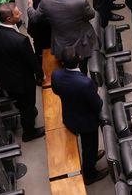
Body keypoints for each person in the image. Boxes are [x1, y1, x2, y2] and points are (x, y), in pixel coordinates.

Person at [0, 3, 44, 139]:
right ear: (9, 19)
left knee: (22, 103)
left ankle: (22, 106)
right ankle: (29, 133)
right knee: (27, 107)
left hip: (2, 77)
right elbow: (32, 62)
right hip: (22, 82)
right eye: (18, 13)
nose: (20, 15)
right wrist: (40, 75)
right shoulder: (21, 40)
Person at [51, 47, 108, 183]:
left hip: (69, 117)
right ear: (80, 59)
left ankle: (93, 157)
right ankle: (90, 174)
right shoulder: (86, 83)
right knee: (89, 147)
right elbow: (97, 105)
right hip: (87, 123)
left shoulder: (56, 75)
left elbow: (56, 91)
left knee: (90, 148)